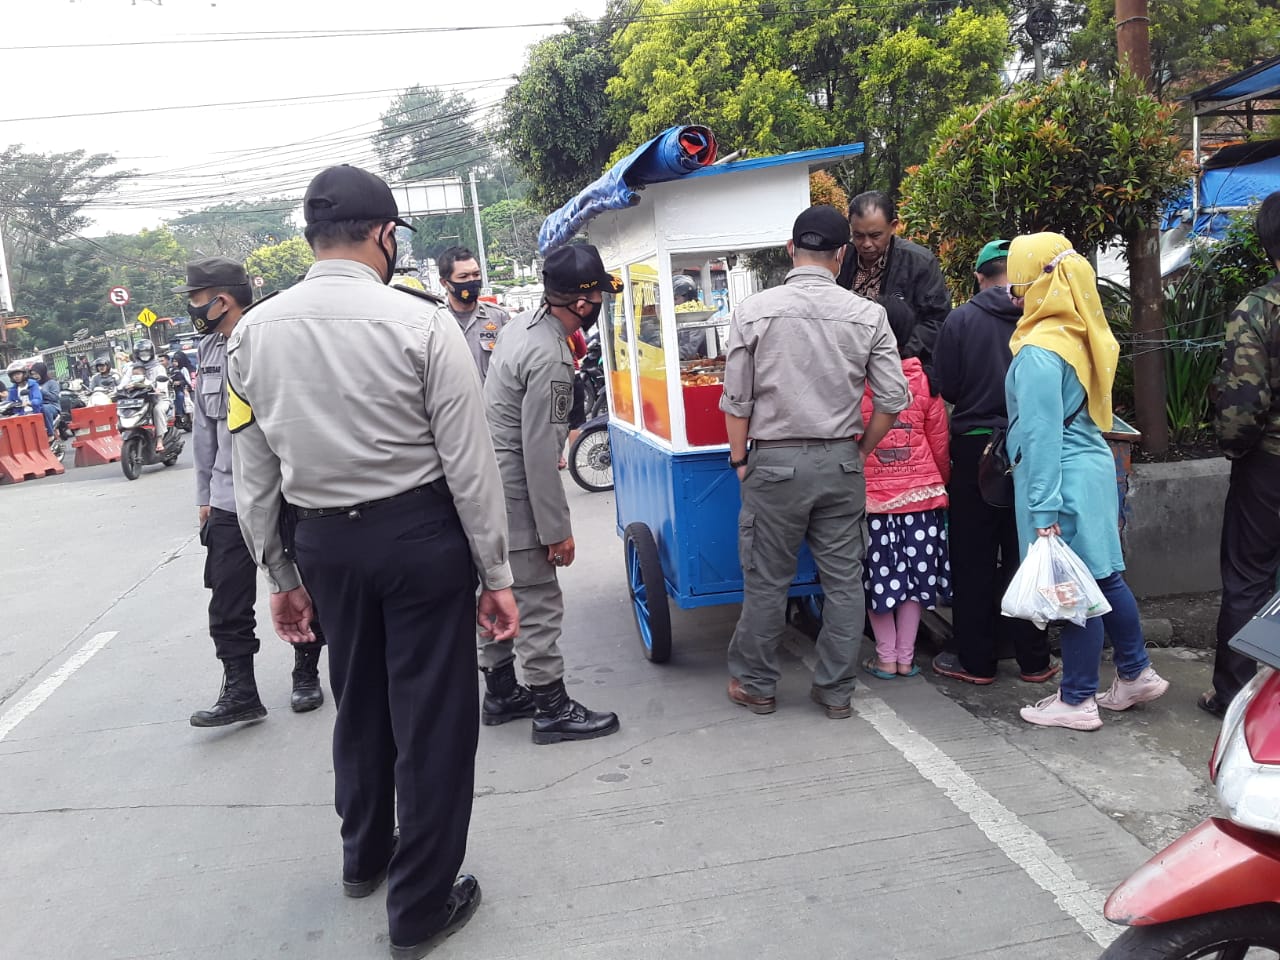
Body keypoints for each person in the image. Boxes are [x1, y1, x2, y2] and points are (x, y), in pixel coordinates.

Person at [227, 164, 517, 959]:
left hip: (324, 543)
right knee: (433, 719)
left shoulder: (252, 334)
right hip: (421, 537)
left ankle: (365, 858)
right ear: (385, 235)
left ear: (312, 237)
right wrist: (496, 575)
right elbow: (469, 463)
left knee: (356, 698)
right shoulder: (421, 325)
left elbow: (253, 472)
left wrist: (279, 574)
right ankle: (420, 906)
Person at [720, 205, 910, 718]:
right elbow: (893, 398)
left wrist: (741, 460)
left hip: (774, 464)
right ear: (841, 254)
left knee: (766, 579)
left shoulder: (754, 311)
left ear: (790, 250)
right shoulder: (869, 315)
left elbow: (736, 401)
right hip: (840, 463)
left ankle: (757, 685)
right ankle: (835, 692)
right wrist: (860, 450)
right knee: (845, 583)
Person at [1004, 232, 1169, 730]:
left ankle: (1076, 699)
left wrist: (1043, 510)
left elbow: (1039, 437)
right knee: (1102, 578)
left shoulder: (1037, 352)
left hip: (1062, 481)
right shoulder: (1081, 335)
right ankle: (1136, 672)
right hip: (1093, 469)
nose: (1014, 296)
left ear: (1039, 284)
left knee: (1073, 591)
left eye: (1019, 285)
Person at [176, 256, 327, 727]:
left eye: (197, 302)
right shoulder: (206, 351)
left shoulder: (273, 339)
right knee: (226, 597)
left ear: (221, 300)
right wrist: (203, 495)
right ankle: (240, 688)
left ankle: (306, 673)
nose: (193, 310)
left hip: (284, 493)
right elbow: (204, 428)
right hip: (227, 496)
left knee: (300, 586)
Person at [480, 243, 621, 744]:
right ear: (583, 304)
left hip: (484, 487)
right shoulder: (550, 356)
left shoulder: (521, 325)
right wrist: (556, 531)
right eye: (599, 296)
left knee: (493, 590)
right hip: (515, 491)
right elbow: (541, 454)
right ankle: (550, 707)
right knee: (537, 599)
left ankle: (500, 691)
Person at [931, 241, 1059, 686]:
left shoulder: (961, 319)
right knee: (1027, 552)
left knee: (972, 557)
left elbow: (945, 387)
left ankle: (976, 661)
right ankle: (1035, 661)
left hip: (976, 448)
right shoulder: (1041, 318)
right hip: (1030, 447)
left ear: (980, 277)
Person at [1200, 192, 1280, 718]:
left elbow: (1242, 403)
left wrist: (1234, 448)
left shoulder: (1258, 309)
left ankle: (1236, 697)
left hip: (1269, 465)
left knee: (1249, 579)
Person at [858, 356, 951, 679]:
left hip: (874, 501)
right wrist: (938, 481)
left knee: (877, 578)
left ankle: (885, 657)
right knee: (914, 579)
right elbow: (939, 443)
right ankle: (905, 659)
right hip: (920, 497)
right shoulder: (925, 380)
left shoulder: (856, 381)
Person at [836, 191, 951, 367]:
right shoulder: (842, 258)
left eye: (875, 236)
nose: (866, 244)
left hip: (902, 364)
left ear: (893, 226)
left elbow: (937, 322)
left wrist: (899, 350)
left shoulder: (919, 262)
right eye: (858, 235)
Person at [435, 245, 509, 381]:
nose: (472, 281)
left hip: (490, 400)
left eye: (476, 274)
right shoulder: (436, 321)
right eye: (463, 277)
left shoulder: (498, 317)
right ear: (445, 282)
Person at [130, 340, 172, 450]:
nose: (144, 355)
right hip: (141, 400)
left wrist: (159, 388)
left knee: (157, 410)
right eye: (141, 353)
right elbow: (124, 381)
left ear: (151, 352)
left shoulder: (159, 367)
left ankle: (159, 440)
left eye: (146, 352)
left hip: (159, 399)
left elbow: (162, 382)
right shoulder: (133, 368)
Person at [29, 362, 60, 439]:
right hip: (35, 406)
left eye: (36, 374)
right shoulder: (32, 384)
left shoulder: (52, 383)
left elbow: (55, 398)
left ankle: (50, 433)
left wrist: (41, 390)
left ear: (42, 372)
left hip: (52, 407)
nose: (34, 376)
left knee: (44, 408)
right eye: (33, 374)